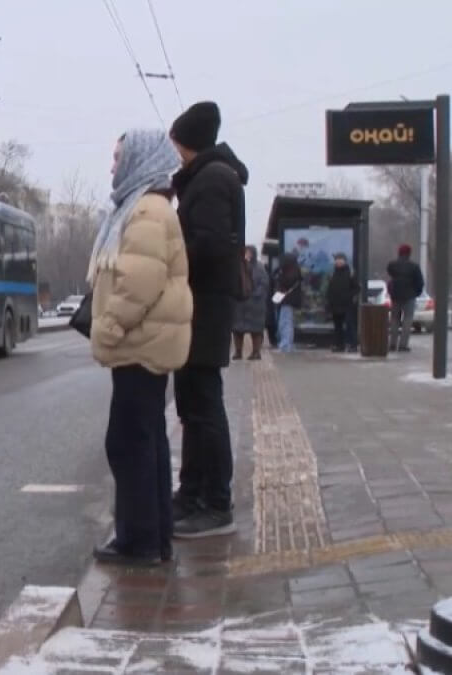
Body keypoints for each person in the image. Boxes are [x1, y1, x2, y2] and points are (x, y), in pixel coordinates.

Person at [88, 129, 191, 567]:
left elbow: (139, 283)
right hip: (149, 343)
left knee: (127, 442)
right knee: (144, 440)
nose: (113, 166)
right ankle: (154, 536)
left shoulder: (145, 210)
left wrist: (108, 327)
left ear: (140, 160)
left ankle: (139, 541)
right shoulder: (147, 206)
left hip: (139, 343)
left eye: (118, 157)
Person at [167, 101, 248, 539]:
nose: (172, 151)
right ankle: (192, 493)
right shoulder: (207, 177)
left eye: (176, 142)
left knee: (204, 407)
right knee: (193, 407)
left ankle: (215, 502)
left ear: (188, 141)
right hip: (200, 306)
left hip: (205, 307)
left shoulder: (213, 179)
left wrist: (171, 259)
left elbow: (210, 245)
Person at [232, 246, 269, 360]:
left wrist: (254, 295)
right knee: (237, 330)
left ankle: (256, 352)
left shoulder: (259, 267)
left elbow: (264, 284)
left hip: (255, 306)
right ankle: (238, 352)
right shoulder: (238, 267)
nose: (247, 255)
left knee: (256, 330)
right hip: (240, 305)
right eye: (245, 252)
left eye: (249, 252)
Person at [387, 244, 424, 353]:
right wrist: (416, 293)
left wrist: (392, 291)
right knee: (407, 320)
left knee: (394, 320)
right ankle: (403, 345)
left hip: (395, 296)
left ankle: (392, 344)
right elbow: (420, 282)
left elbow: (390, 273)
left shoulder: (392, 265)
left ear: (399, 252)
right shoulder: (414, 266)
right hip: (409, 297)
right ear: (409, 253)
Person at [326, 253, 358, 352]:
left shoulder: (350, 272)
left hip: (347, 304)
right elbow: (329, 288)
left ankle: (352, 345)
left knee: (349, 324)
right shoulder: (332, 273)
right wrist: (329, 300)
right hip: (335, 304)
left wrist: (349, 296)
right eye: (337, 259)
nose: (338, 261)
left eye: (340, 259)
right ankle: (339, 345)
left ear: (345, 261)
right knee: (337, 326)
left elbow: (357, 288)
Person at [274, 253, 304, 352]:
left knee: (286, 322)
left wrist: (280, 275)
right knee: (286, 322)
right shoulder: (294, 270)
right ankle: (286, 344)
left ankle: (285, 345)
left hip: (288, 300)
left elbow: (285, 282)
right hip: (288, 300)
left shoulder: (290, 272)